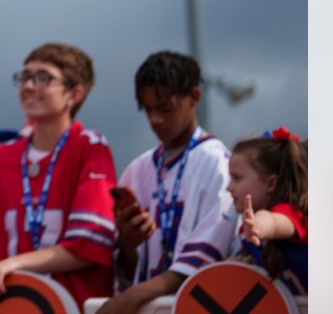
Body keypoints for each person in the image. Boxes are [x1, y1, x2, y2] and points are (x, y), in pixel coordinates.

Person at [0, 43, 117, 311]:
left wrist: (14, 263)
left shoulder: (90, 146)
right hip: (15, 306)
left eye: (43, 78)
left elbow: (88, 243)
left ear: (74, 94)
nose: (29, 86)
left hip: (73, 307)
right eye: (24, 77)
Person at [98, 51, 236, 314]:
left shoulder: (218, 163)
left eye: (165, 108)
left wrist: (135, 296)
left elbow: (210, 255)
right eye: (148, 109)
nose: (155, 120)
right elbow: (127, 272)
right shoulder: (136, 170)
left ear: (194, 97)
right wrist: (128, 245)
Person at [227, 129, 308, 294]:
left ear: (271, 184)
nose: (229, 187)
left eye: (237, 178)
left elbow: (274, 222)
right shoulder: (247, 231)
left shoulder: (291, 213)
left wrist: (258, 225)